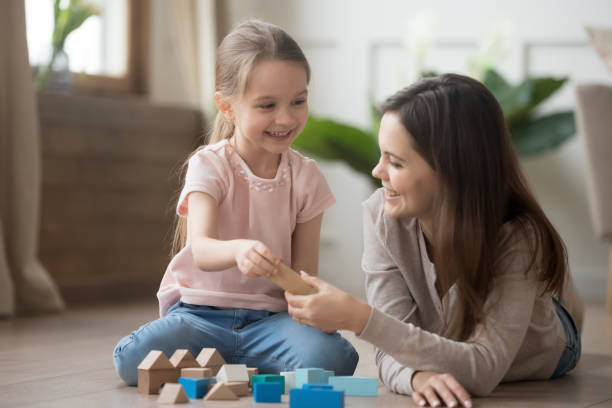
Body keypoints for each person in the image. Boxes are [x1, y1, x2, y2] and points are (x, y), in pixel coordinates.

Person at [286, 74, 584, 408]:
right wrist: (416, 377)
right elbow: (389, 351)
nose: (377, 171)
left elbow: (483, 369)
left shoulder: (517, 235)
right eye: (381, 155)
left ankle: (557, 303)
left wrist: (359, 318)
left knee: (541, 304)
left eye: (395, 162)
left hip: (535, 350)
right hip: (443, 340)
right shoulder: (381, 215)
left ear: (452, 171)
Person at [113, 19, 358, 386]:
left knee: (334, 359)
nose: (285, 118)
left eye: (298, 101)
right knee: (132, 362)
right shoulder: (209, 165)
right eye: (266, 105)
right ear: (227, 107)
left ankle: (231, 365)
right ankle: (239, 364)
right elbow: (203, 250)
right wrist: (239, 250)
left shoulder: (307, 178)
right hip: (200, 316)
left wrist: (317, 302)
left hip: (273, 322)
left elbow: (305, 278)